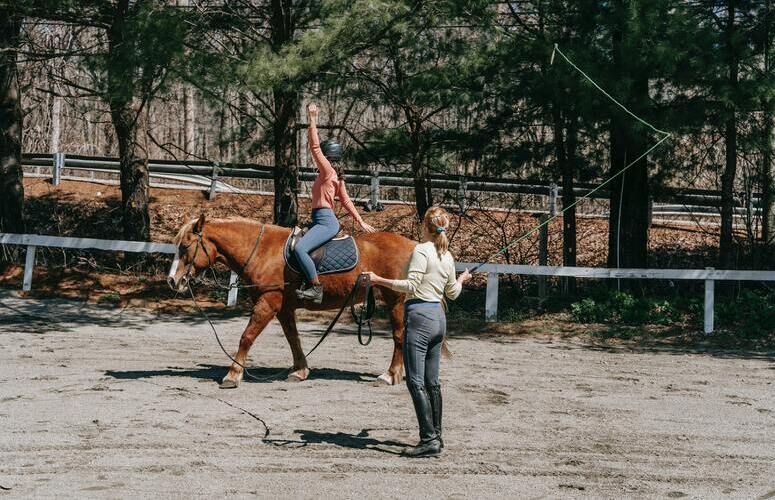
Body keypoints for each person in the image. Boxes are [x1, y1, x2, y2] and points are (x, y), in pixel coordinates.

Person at [364, 207, 471, 457]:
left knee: (415, 381)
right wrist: (462, 280)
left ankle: (428, 439)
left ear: (425, 227)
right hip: (438, 320)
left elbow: (411, 285)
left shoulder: (422, 250)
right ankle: (437, 437)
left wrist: (379, 280)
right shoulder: (447, 255)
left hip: (420, 317)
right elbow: (453, 293)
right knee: (432, 382)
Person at [296, 103, 376, 303]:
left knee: (299, 249)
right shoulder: (336, 176)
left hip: (325, 221)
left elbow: (314, 147)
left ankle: (315, 288)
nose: (319, 159)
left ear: (327, 156)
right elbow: (347, 201)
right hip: (321, 220)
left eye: (323, 156)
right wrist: (360, 222)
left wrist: (313, 118)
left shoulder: (327, 171)